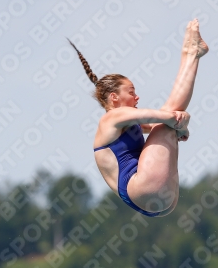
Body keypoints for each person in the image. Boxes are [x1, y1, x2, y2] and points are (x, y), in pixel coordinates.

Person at [69, 18, 208, 217]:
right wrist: (175, 121)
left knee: (166, 121)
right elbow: (158, 116)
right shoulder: (110, 118)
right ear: (114, 97)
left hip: (151, 199)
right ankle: (191, 53)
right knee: (167, 115)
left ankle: (193, 54)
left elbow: (161, 123)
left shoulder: (123, 123)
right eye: (131, 92)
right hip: (142, 187)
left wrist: (179, 126)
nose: (137, 97)